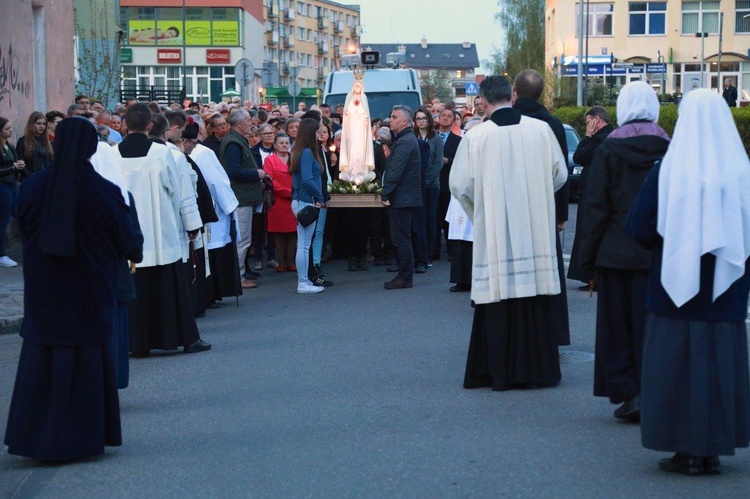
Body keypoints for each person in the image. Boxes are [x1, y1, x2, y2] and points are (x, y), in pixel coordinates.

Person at [627, 89, 750, 476]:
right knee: (719, 366)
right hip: (726, 291)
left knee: (674, 367)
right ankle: (713, 448)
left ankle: (684, 449)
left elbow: (638, 226)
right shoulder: (742, 172)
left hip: (674, 288)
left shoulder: (667, 170)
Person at [4, 117, 140, 461]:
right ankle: (82, 437)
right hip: (89, 291)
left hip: (44, 291)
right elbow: (127, 241)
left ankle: (34, 436)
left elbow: (19, 227)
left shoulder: (33, 187)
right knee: (85, 362)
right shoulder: (104, 191)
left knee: (43, 360)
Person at [450, 75, 568, 391]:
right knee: (534, 294)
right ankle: (539, 371)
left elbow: (459, 186)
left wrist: (482, 213)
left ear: (483, 102)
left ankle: (497, 371)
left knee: (499, 296)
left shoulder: (476, 137)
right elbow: (560, 175)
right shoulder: (541, 131)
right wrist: (538, 199)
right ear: (511, 97)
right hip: (535, 230)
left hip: (497, 234)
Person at [578, 81, 670, 421]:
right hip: (657, 252)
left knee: (618, 327)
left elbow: (596, 209)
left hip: (616, 253)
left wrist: (587, 263)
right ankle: (655, 390)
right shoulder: (669, 147)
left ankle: (629, 394)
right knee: (654, 327)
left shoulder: (609, 150)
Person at [113, 104, 211, 356]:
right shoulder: (162, 154)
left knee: (136, 290)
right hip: (161, 234)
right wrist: (192, 225)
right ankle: (187, 339)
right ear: (149, 126)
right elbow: (181, 193)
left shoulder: (113, 155)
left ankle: (138, 343)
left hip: (128, 234)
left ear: (125, 125)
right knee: (171, 291)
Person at [512, 69, 570, 345]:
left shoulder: (508, 122)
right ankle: (551, 330)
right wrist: (560, 214)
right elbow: (561, 173)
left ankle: (519, 329)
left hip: (512, 206)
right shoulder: (553, 125)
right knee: (548, 268)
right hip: (545, 206)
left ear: (515, 92)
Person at [189, 126, 242, 306]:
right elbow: (216, 182)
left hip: (197, 210)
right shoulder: (203, 153)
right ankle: (212, 293)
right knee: (210, 252)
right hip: (210, 210)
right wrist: (230, 206)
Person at [219, 109, 268, 289]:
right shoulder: (233, 143)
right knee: (242, 239)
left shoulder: (237, 140)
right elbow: (233, 172)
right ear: (240, 123)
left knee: (244, 238)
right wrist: (257, 173)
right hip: (240, 197)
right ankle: (237, 278)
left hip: (244, 196)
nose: (251, 123)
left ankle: (239, 274)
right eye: (248, 121)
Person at [568, 106, 614, 287]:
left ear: (596, 120)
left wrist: (587, 135)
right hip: (602, 190)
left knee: (587, 233)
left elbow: (579, 156)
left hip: (591, 191)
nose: (587, 126)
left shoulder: (599, 139)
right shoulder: (612, 136)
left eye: (588, 122)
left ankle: (590, 275)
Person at [381, 105, 422, 289]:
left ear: (404, 121)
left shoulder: (405, 141)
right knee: (401, 237)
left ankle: (405, 277)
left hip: (402, 197)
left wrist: (385, 192)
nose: (391, 119)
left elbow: (395, 171)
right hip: (403, 196)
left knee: (401, 238)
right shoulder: (404, 138)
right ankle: (404, 275)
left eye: (394, 116)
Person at [289, 118, 325, 294]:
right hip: (305, 200)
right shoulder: (307, 152)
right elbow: (308, 179)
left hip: (300, 200)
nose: (320, 135)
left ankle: (303, 281)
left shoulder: (299, 150)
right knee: (303, 245)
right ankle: (302, 283)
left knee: (303, 244)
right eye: (318, 132)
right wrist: (319, 197)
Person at [413, 106, 443, 268]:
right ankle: (418, 254)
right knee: (418, 220)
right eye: (419, 119)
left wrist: (426, 180)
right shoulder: (412, 137)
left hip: (431, 185)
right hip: (415, 184)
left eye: (424, 118)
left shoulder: (436, 139)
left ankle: (429, 254)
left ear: (429, 120)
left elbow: (438, 163)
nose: (422, 121)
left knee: (430, 219)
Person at [263, 133, 296, 272]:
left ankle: (291, 262)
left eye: (286, 142)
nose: (284, 144)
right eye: (281, 142)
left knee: (293, 232)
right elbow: (269, 180)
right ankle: (281, 262)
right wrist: (287, 192)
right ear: (275, 145)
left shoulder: (294, 159)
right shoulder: (270, 160)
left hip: (294, 200)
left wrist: (294, 192)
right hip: (277, 201)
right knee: (279, 233)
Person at [435, 108, 462, 261]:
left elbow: (461, 160)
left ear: (453, 121)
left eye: (449, 117)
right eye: (443, 116)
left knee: (448, 219)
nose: (445, 118)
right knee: (433, 219)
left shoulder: (458, 141)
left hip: (447, 184)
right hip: (432, 184)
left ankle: (452, 251)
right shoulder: (432, 138)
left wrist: (448, 160)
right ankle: (434, 251)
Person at [339, 79, 376, 184]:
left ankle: (361, 169)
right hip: (351, 128)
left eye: (359, 86)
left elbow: (366, 113)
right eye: (356, 85)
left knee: (361, 148)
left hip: (361, 128)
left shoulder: (364, 98)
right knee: (352, 148)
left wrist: (364, 118)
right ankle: (351, 168)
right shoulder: (349, 97)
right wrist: (347, 113)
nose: (358, 87)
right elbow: (346, 111)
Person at [0, 117, 24, 268]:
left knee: (21, 213)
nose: (10, 130)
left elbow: (16, 161)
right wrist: (13, 167)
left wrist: (19, 166)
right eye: (7, 128)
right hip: (2, 186)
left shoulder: (9, 145)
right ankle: (1, 255)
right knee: (3, 220)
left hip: (12, 185)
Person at [16, 111, 53, 177]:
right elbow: (20, 164)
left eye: (44, 124)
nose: (42, 126)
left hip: (45, 180)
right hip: (29, 180)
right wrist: (32, 177)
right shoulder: (23, 141)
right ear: (32, 124)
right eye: (38, 123)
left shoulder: (48, 142)